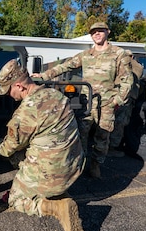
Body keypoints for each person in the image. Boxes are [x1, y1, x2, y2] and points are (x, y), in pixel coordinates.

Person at [0, 59, 85, 231]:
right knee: (22, 157)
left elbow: (5, 149)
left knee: (14, 199)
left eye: (9, 90)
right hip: (75, 166)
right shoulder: (56, 95)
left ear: (19, 86)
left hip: (52, 172)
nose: (9, 95)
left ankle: (56, 206)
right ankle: (55, 191)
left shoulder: (24, 114)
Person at [32, 22, 134, 179]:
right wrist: (44, 76)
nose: (97, 34)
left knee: (102, 136)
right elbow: (65, 66)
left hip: (106, 104)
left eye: (100, 31)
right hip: (87, 102)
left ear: (108, 32)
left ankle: (95, 165)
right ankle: (80, 165)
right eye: (94, 32)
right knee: (81, 134)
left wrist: (118, 101)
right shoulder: (86, 55)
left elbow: (128, 80)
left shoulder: (119, 54)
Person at [108, 53, 144, 157]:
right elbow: (139, 73)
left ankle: (105, 146)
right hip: (125, 98)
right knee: (120, 122)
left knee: (111, 121)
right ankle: (111, 148)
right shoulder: (134, 65)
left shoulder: (116, 62)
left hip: (115, 96)